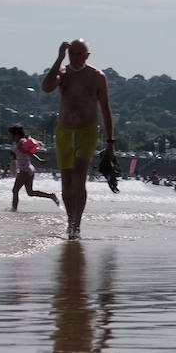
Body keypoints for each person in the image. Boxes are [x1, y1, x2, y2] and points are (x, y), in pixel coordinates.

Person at [40, 39, 115, 241]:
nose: (75, 57)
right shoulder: (63, 73)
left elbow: (105, 109)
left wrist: (110, 143)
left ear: (87, 55)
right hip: (65, 131)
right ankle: (69, 221)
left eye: (79, 53)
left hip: (87, 131)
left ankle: (76, 225)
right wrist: (58, 58)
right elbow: (46, 87)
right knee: (66, 182)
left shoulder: (97, 77)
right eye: (71, 53)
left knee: (80, 174)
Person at [9, 124, 60, 211]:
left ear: (16, 135)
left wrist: (39, 160)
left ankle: (14, 210)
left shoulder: (21, 142)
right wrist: (39, 160)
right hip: (30, 169)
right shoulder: (21, 142)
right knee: (30, 192)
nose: (9, 137)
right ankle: (51, 196)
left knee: (15, 190)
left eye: (11, 135)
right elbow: (27, 153)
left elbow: (28, 152)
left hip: (25, 170)